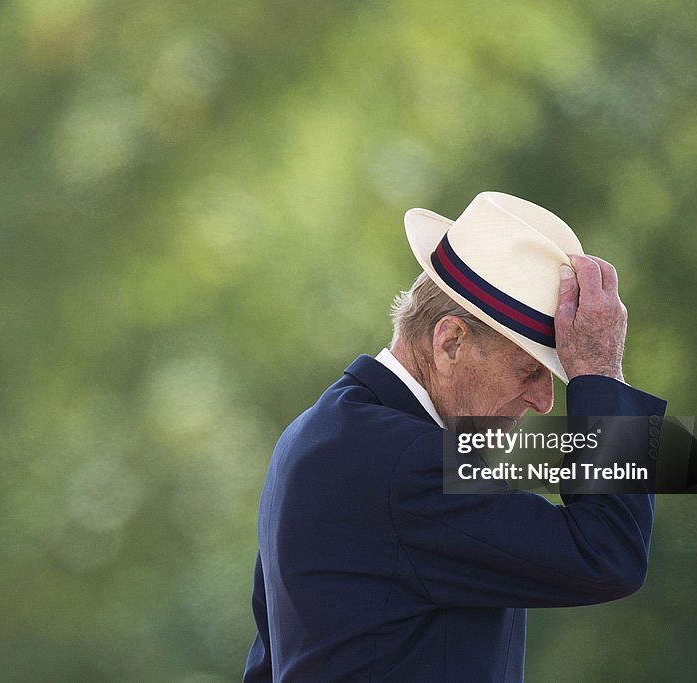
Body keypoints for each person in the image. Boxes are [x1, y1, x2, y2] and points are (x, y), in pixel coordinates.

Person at [243, 192, 667, 682]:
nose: (544, 400)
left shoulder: (316, 435)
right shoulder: (409, 462)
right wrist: (599, 373)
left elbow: (268, 662)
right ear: (450, 341)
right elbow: (609, 553)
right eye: (529, 369)